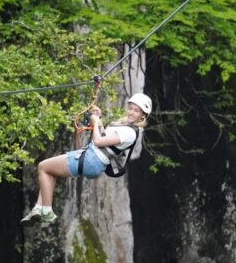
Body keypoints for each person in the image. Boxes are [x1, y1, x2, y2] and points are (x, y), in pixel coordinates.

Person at [21, 92, 152, 224]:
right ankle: (39, 208)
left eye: (136, 111)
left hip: (91, 159)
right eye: (130, 108)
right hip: (92, 160)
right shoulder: (126, 128)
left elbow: (98, 141)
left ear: (142, 115)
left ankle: (47, 211)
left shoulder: (130, 132)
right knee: (50, 171)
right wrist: (98, 118)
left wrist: (95, 122)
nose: (131, 112)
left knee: (43, 167)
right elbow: (103, 136)